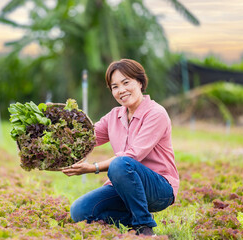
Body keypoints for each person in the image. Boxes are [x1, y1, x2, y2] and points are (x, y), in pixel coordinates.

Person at [62, 59, 179, 236]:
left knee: (120, 163)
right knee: (80, 211)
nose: (121, 90)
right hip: (122, 186)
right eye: (115, 86)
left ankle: (144, 229)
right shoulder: (114, 115)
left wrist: (92, 168)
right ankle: (130, 225)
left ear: (140, 82)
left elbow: (131, 157)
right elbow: (85, 138)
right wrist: (56, 128)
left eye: (126, 83)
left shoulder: (156, 113)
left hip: (158, 188)